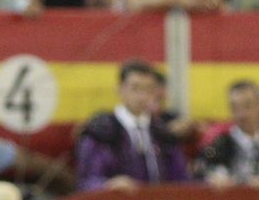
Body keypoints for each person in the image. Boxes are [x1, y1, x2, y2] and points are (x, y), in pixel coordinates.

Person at [75, 59, 192, 191]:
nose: (142, 96)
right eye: (135, 88)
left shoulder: (162, 134)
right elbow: (86, 182)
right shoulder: (101, 133)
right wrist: (107, 185)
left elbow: (181, 181)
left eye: (148, 89)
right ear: (120, 90)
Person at [197, 81, 259, 186]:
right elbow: (205, 171)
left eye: (247, 106)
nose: (241, 114)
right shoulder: (220, 145)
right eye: (235, 108)